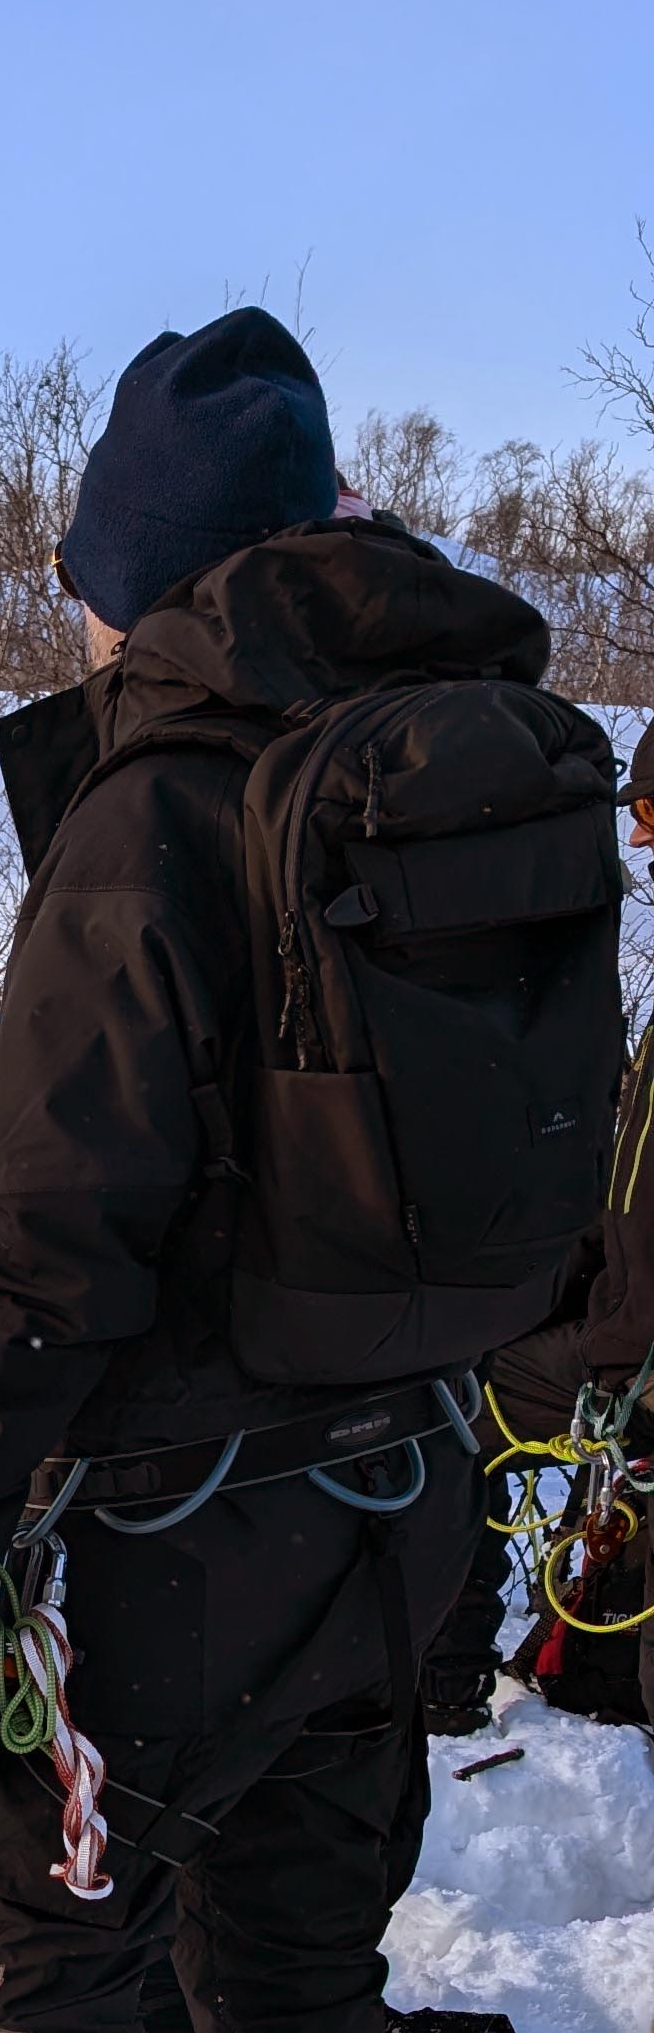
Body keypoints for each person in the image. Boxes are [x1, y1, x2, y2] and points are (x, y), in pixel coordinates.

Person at [0, 309, 625, 2033]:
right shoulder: (470, 777)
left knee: (17, 1974)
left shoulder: (156, 810)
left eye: (88, 571)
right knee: (286, 1971)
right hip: (405, 1512)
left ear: (148, 573)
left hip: (164, 1551)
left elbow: (43, 1251)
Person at [416, 718, 654, 1732]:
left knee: (458, 1410)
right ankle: (590, 1668)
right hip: (622, 1324)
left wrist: (615, 1355)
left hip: (638, 1357)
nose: (641, 843)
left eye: (650, 815)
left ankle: (441, 1676)